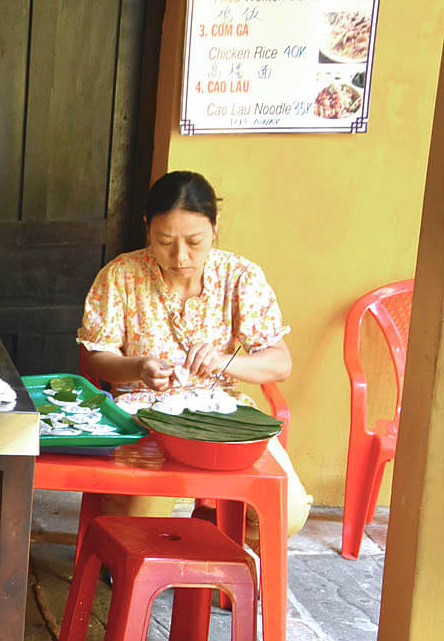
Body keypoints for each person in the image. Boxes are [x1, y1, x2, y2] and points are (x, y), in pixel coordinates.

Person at [77, 170, 311, 534]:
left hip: (221, 416)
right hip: (145, 413)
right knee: (141, 524)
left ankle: (221, 548)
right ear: (147, 229)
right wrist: (139, 368)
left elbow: (280, 363)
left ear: (215, 229)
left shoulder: (241, 277)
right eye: (164, 240)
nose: (180, 256)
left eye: (195, 241)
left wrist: (225, 362)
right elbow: (97, 358)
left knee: (286, 513)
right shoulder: (122, 275)